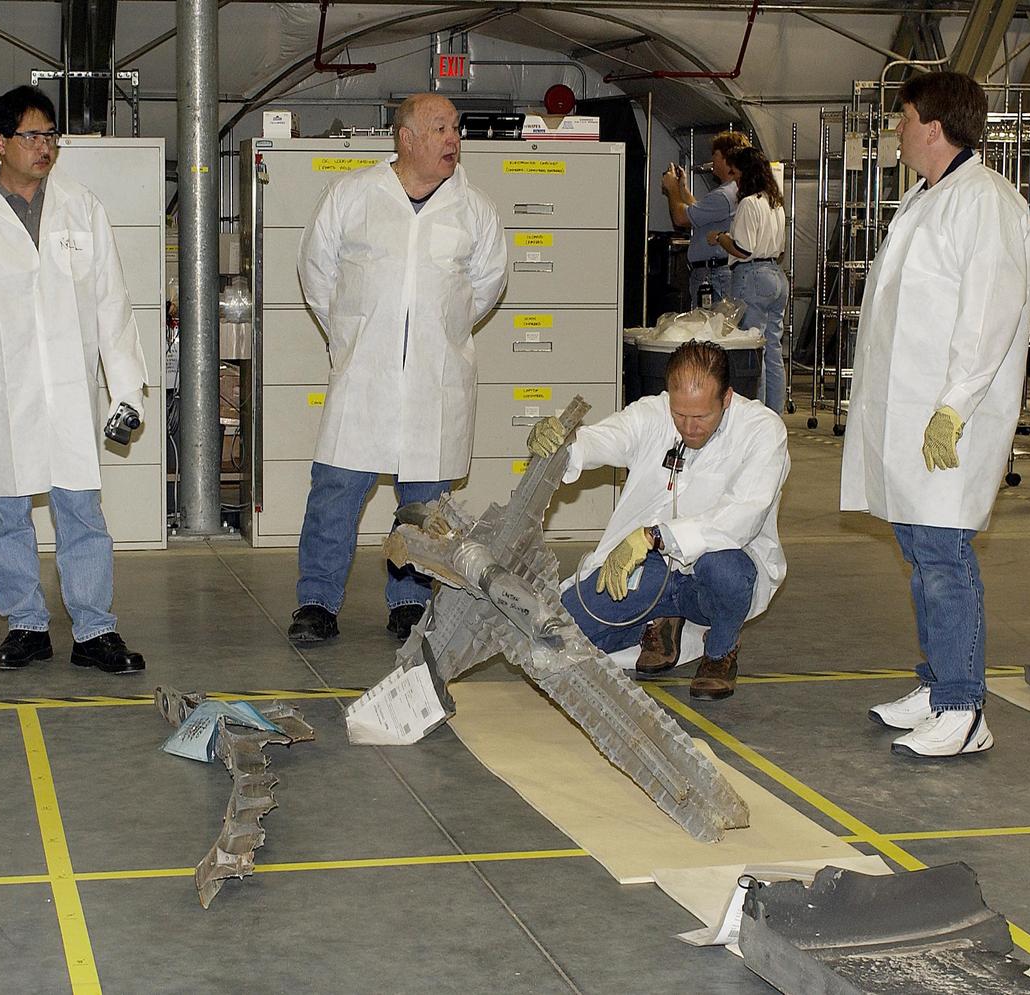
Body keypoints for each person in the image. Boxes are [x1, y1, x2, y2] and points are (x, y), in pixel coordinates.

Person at [0, 85, 149, 675]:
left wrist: (127, 388)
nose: (45, 146)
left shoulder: (82, 207)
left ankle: (95, 630)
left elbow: (112, 303)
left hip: (70, 392)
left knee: (81, 510)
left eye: (51, 135)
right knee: (5, 514)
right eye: (32, 135)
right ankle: (26, 625)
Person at [841, 71, 1030, 758]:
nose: (895, 127)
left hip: (951, 419)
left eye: (903, 115)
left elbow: (989, 314)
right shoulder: (928, 197)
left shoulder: (985, 201)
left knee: (945, 556)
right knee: (921, 551)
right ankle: (937, 683)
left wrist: (952, 408)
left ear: (931, 122)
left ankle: (964, 707)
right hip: (908, 416)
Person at [291, 93, 508, 645]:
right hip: (365, 375)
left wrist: (440, 332)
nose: (453, 140)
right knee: (336, 490)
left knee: (424, 502)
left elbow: (485, 286)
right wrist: (354, 332)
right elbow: (317, 274)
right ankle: (317, 602)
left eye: (455, 129)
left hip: (434, 382)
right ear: (405, 137)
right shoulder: (353, 195)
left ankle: (409, 602)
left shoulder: (473, 209)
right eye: (440, 129)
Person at [528, 340, 789, 701]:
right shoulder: (653, 414)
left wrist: (655, 535)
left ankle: (721, 651)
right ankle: (661, 622)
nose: (689, 427)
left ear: (727, 398)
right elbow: (606, 438)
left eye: (701, 417)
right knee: (561, 633)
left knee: (726, 569)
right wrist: (565, 444)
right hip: (654, 567)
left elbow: (741, 518)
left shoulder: (762, 431)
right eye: (680, 415)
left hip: (712, 572)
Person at [706, 146, 788, 414]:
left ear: (744, 173)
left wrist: (720, 238)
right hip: (776, 275)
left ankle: (756, 413)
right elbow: (781, 248)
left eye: (736, 172)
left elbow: (743, 248)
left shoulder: (749, 203)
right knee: (773, 349)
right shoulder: (775, 203)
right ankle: (774, 412)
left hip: (752, 276)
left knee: (754, 348)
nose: (735, 179)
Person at [660, 131, 750, 310]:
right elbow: (701, 215)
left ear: (727, 159)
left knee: (712, 330)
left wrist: (672, 190)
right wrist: (683, 189)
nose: (712, 161)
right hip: (715, 273)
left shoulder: (723, 195)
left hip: (714, 275)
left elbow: (681, 218)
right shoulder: (730, 192)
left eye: (715, 155)